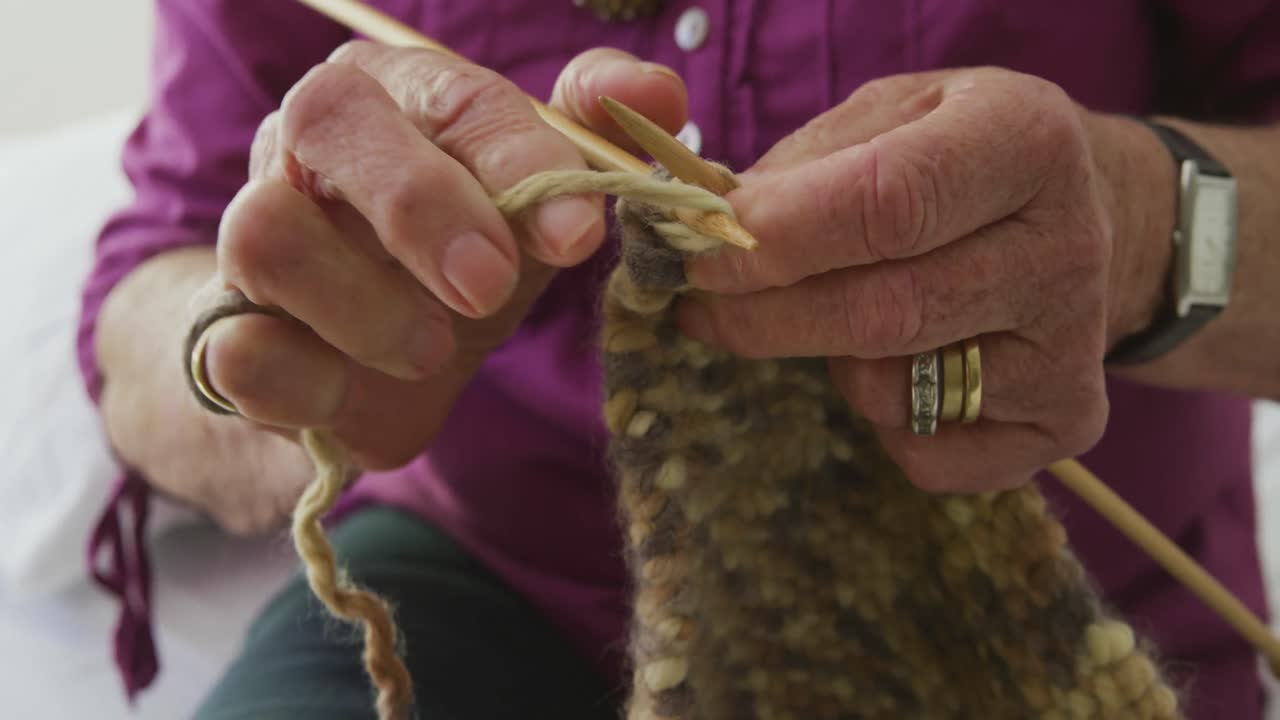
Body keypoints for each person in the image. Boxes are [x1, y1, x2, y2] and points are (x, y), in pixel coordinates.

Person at [81, 1, 1280, 717]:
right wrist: (281, 358)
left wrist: (1150, 230)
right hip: (469, 584)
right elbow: (150, 286)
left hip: (1027, 614)